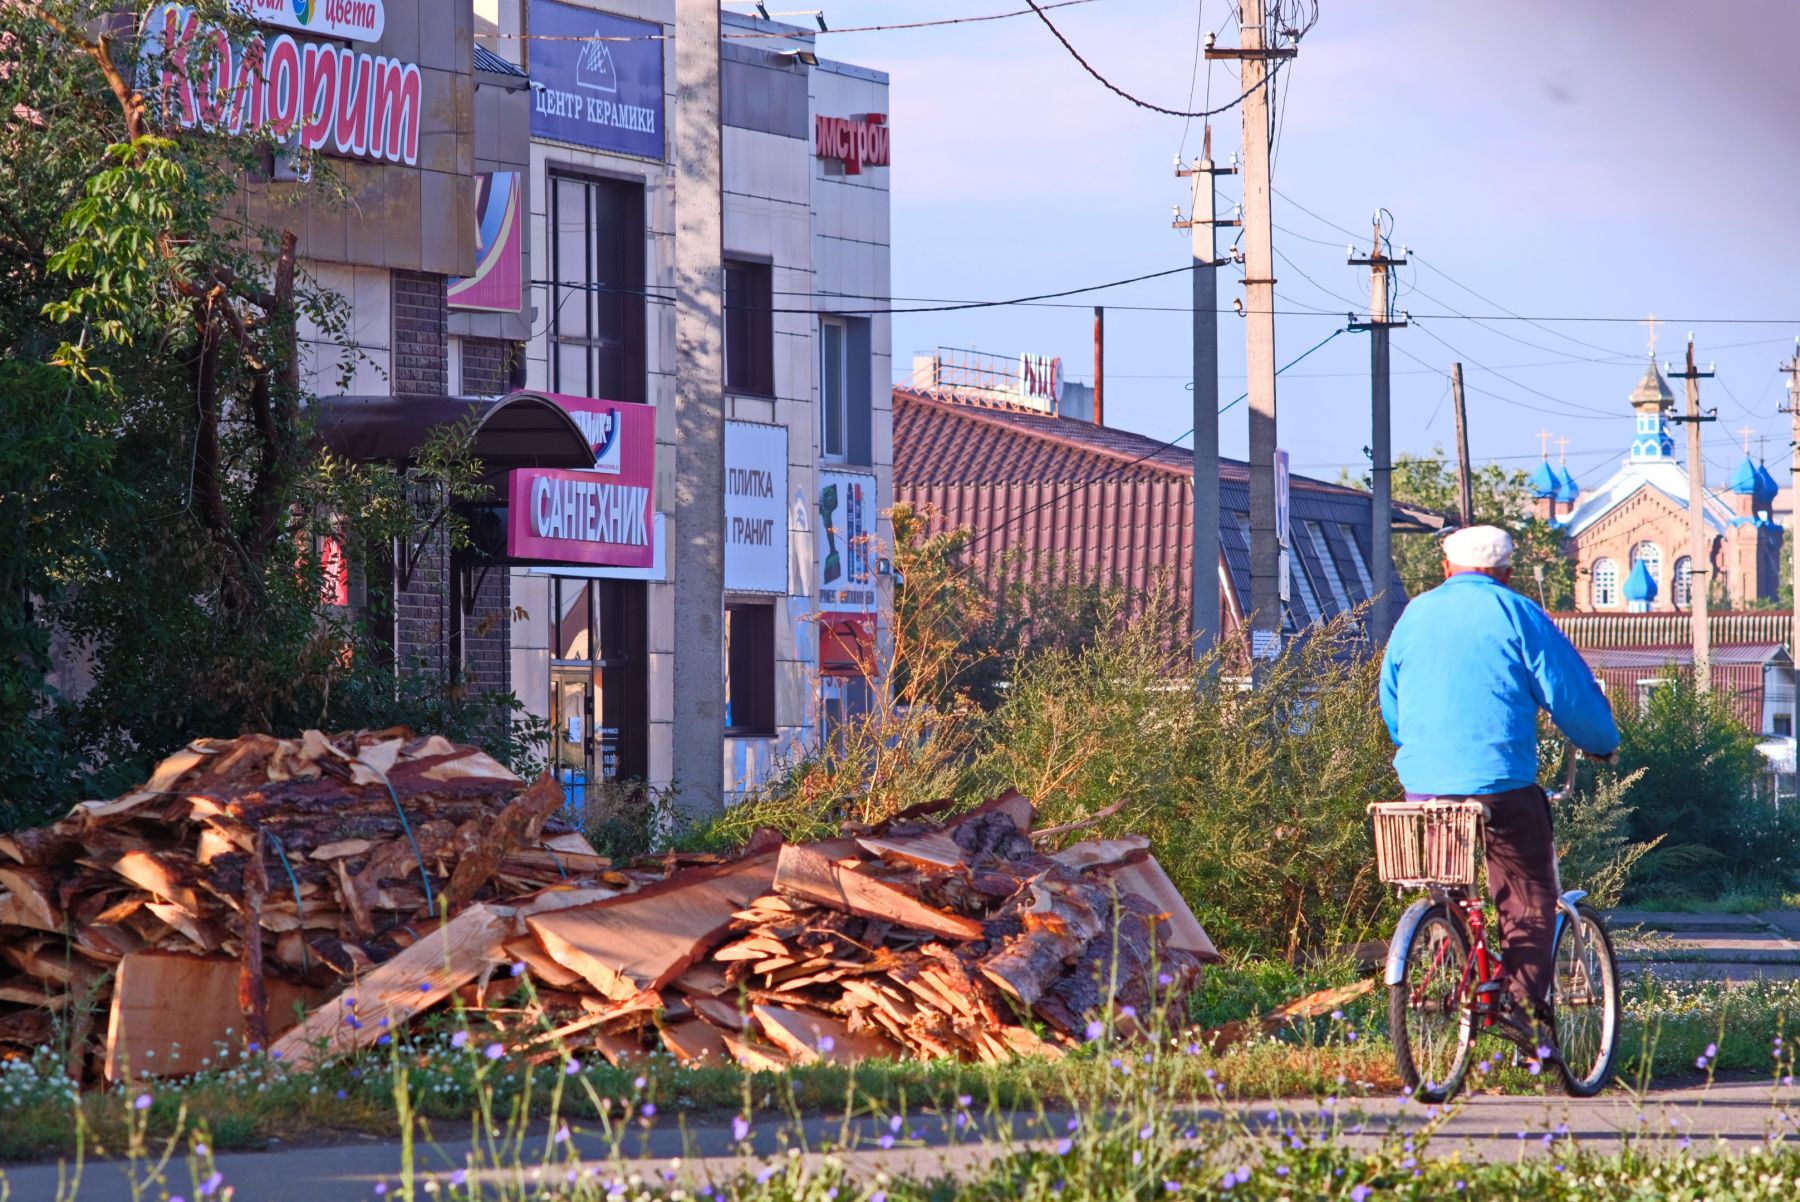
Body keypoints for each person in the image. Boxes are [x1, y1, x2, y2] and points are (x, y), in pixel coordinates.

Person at [1378, 525, 1619, 1048]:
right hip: (1500, 788)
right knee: (1529, 896)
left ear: (1446, 568)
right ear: (1507, 573)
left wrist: (1419, 747)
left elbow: (1391, 705)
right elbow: (1569, 693)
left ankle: (1446, 931)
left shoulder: (1414, 614)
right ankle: (1525, 1011)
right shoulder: (1519, 613)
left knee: (1447, 881)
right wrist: (1602, 741)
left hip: (1424, 789)